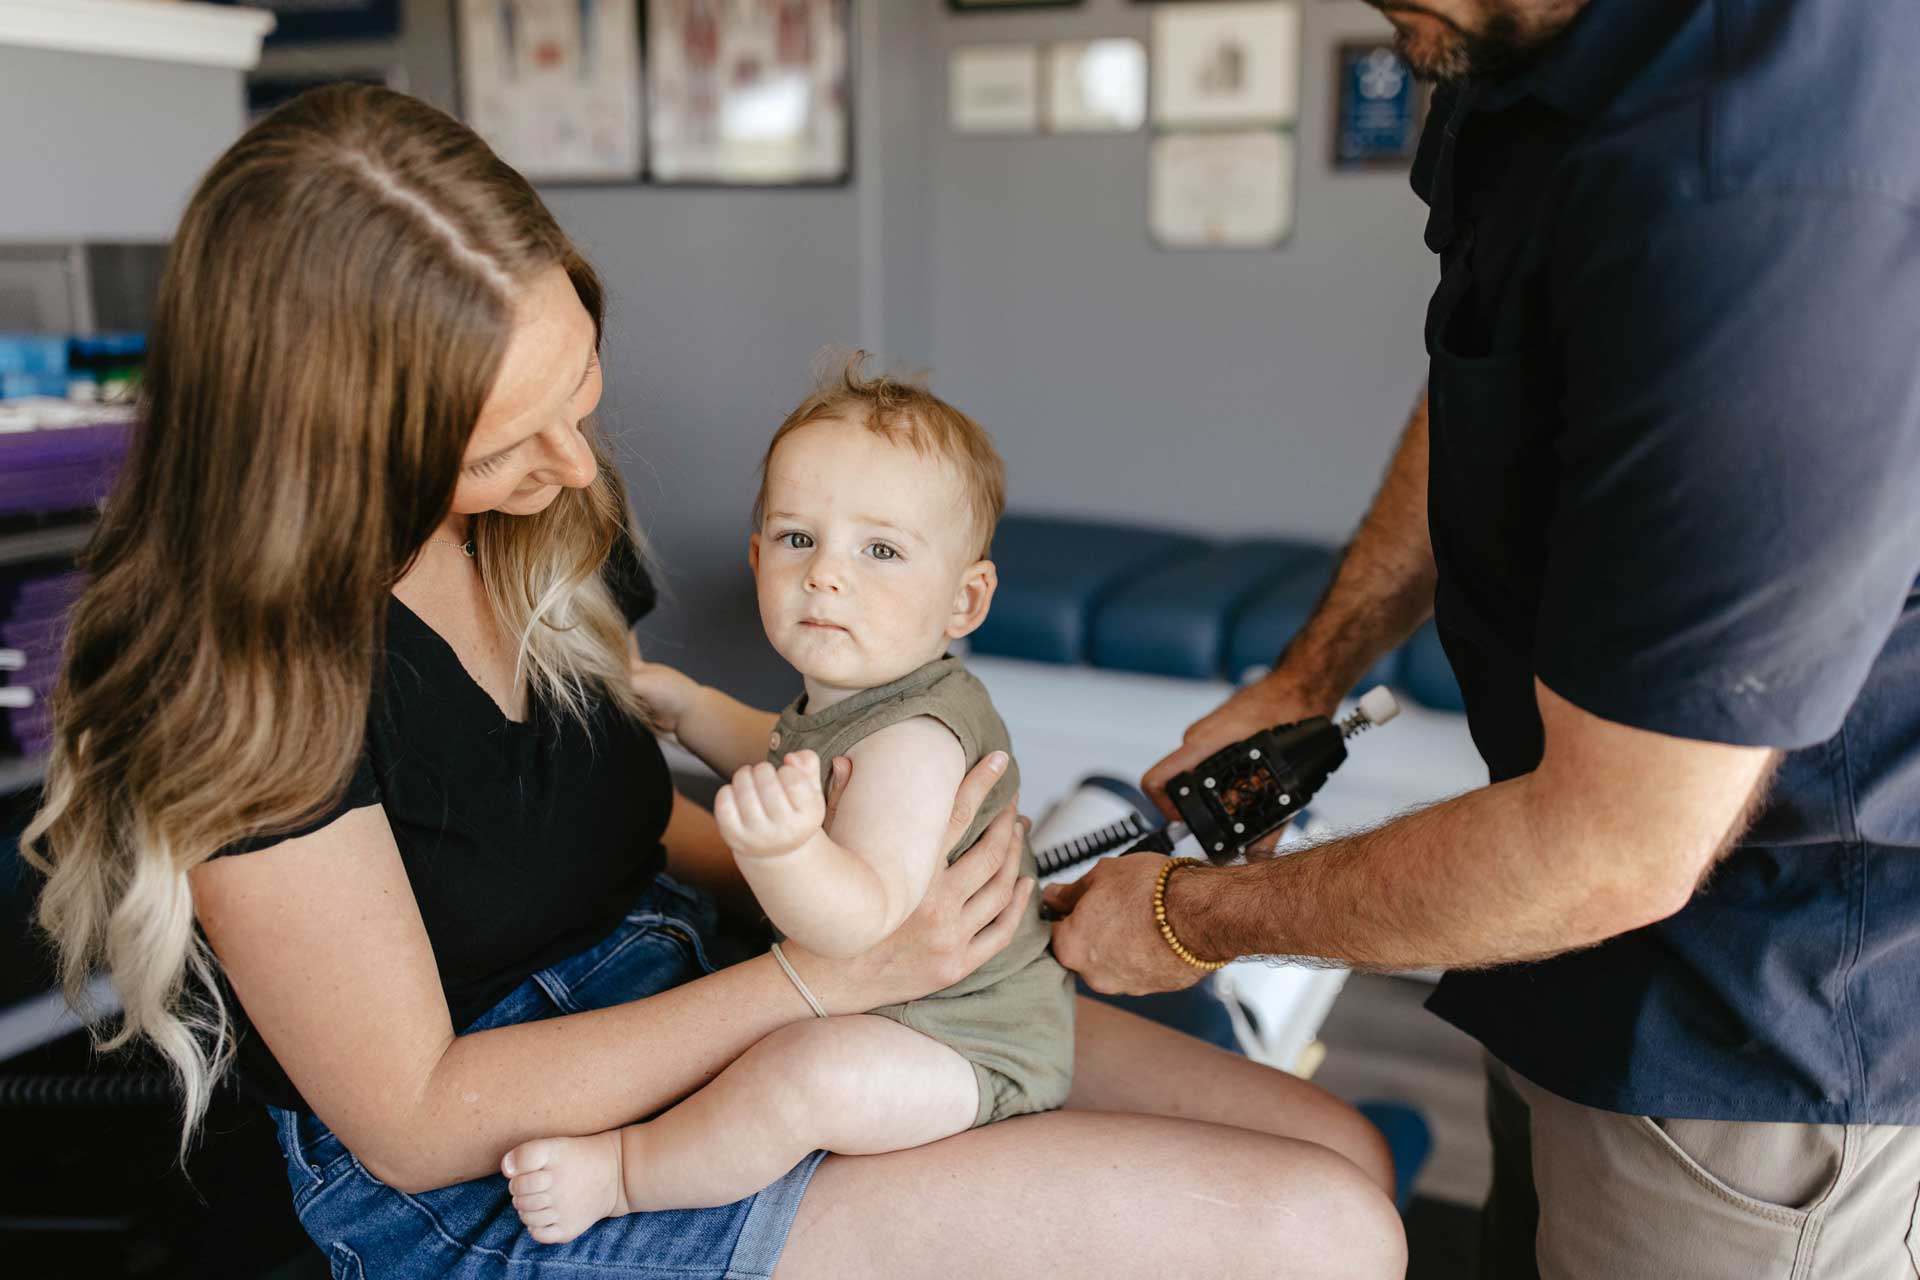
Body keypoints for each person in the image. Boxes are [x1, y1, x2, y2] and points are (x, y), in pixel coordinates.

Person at [23, 85, 1403, 1278]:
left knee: (1335, 1149)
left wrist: (894, 875)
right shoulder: (237, 688)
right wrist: (825, 975)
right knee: (1317, 1237)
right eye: (512, 443)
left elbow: (607, 827)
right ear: (331, 444)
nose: (574, 469)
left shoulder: (528, 524)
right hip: (498, 1171)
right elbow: (419, 1114)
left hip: (707, 975)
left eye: (578, 394)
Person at [1046, 2, 1920, 1277]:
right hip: (1561, 946)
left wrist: (1193, 919)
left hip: (1753, 1027)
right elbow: (1492, 370)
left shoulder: (1772, 194)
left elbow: (1614, 847)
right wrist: (1305, 674)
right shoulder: (1501, 44)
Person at [502, 361, 1077, 1243]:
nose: (826, 575)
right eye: (798, 538)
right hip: (900, 1003)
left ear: (965, 599)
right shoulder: (863, 700)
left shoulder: (914, 741)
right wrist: (694, 711)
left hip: (965, 1044)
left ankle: (624, 1174)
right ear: (757, 555)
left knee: (802, 1080)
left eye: (879, 550)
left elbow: (858, 924)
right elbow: (790, 746)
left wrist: (785, 854)